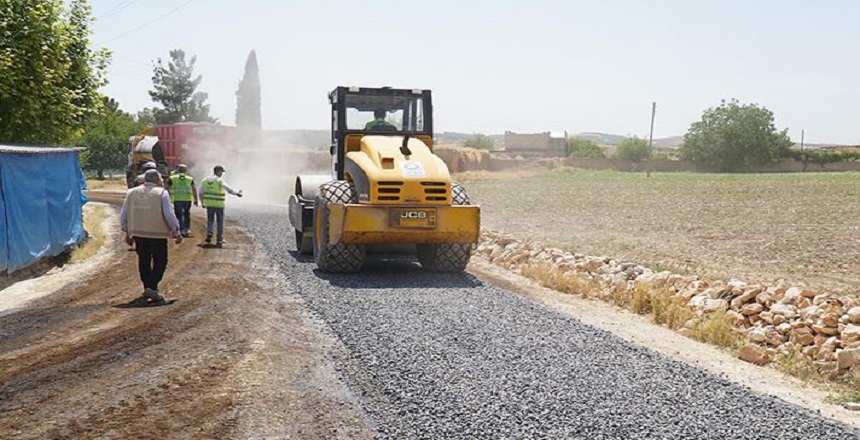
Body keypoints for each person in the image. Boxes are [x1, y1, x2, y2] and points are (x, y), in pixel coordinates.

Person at [120, 169, 182, 304]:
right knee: (160, 261)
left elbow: (124, 215)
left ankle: (148, 288)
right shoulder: (161, 193)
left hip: (138, 233)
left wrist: (127, 232)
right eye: (160, 179)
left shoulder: (131, 193)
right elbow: (169, 214)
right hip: (157, 234)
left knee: (144, 261)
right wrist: (176, 231)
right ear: (156, 180)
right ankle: (152, 287)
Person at [199, 165, 243, 248]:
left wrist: (202, 202)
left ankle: (210, 233)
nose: (222, 174)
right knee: (219, 222)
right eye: (221, 172)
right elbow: (228, 189)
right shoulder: (219, 180)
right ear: (218, 172)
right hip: (219, 205)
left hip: (209, 204)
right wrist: (237, 193)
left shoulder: (204, 180)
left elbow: (201, 192)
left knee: (210, 220)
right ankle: (219, 239)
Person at [165, 164, 198, 237]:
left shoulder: (172, 178)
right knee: (187, 214)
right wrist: (196, 199)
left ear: (178, 170)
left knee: (179, 215)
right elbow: (194, 189)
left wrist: (167, 198)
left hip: (177, 199)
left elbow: (166, 188)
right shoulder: (190, 179)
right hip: (188, 199)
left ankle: (181, 230)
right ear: (186, 170)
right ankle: (187, 229)